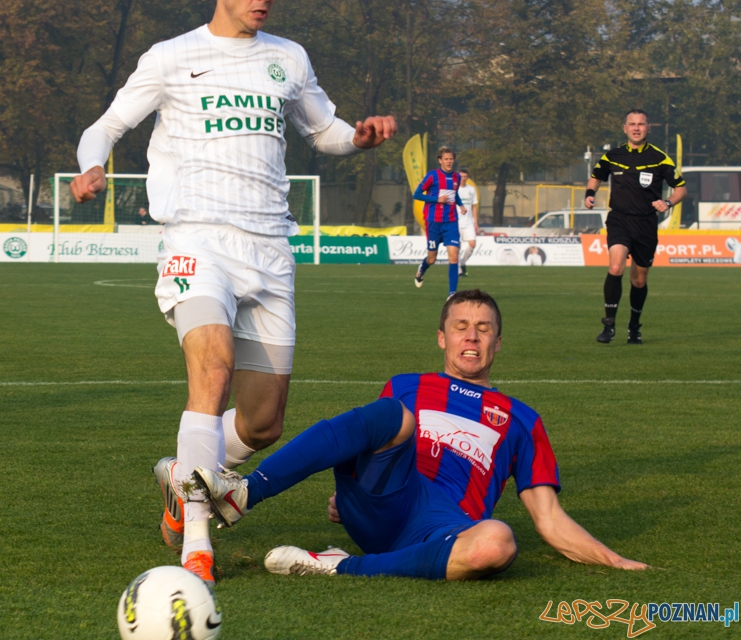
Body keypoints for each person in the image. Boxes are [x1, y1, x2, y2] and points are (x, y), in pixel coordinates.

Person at [69, 0, 396, 585]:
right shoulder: (170, 56)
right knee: (210, 367)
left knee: (263, 420)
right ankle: (195, 541)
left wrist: (358, 138)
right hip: (197, 239)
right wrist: (92, 164)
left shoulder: (289, 59)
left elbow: (323, 132)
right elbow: (105, 126)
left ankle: (181, 474)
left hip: (270, 250)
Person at [193, 289, 647, 581]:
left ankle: (336, 566)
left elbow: (548, 519)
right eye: (461, 327)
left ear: (498, 343)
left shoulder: (522, 419)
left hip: (444, 529)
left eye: (484, 329)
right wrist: (349, 497)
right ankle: (247, 491)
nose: (472, 337)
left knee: (498, 543)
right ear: (442, 339)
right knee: (396, 415)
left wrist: (616, 560)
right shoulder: (409, 386)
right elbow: (371, 441)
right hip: (387, 498)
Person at [585, 109, 686, 344]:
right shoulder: (612, 155)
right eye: (632, 124)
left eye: (641, 124)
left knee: (639, 280)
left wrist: (668, 202)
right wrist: (590, 194)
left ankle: (634, 326)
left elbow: (681, 188)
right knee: (616, 265)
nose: (636, 128)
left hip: (646, 224)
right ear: (625, 128)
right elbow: (595, 176)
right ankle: (608, 325)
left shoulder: (660, 158)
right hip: (619, 219)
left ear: (648, 128)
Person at [413, 147, 465, 298]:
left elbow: (455, 195)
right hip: (433, 223)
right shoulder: (432, 176)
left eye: (451, 159)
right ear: (440, 160)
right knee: (432, 259)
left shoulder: (456, 177)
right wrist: (437, 199)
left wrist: (460, 205)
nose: (449, 161)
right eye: (446, 159)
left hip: (451, 222)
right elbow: (417, 194)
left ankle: (452, 294)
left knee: (454, 256)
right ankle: (421, 270)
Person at [456, 169, 479, 276]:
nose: (463, 178)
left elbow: (474, 206)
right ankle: (458, 269)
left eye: (465, 176)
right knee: (457, 246)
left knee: (472, 244)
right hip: (455, 222)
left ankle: (462, 262)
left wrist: (475, 221)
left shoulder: (471, 189)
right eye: (461, 176)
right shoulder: (453, 189)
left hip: (468, 222)